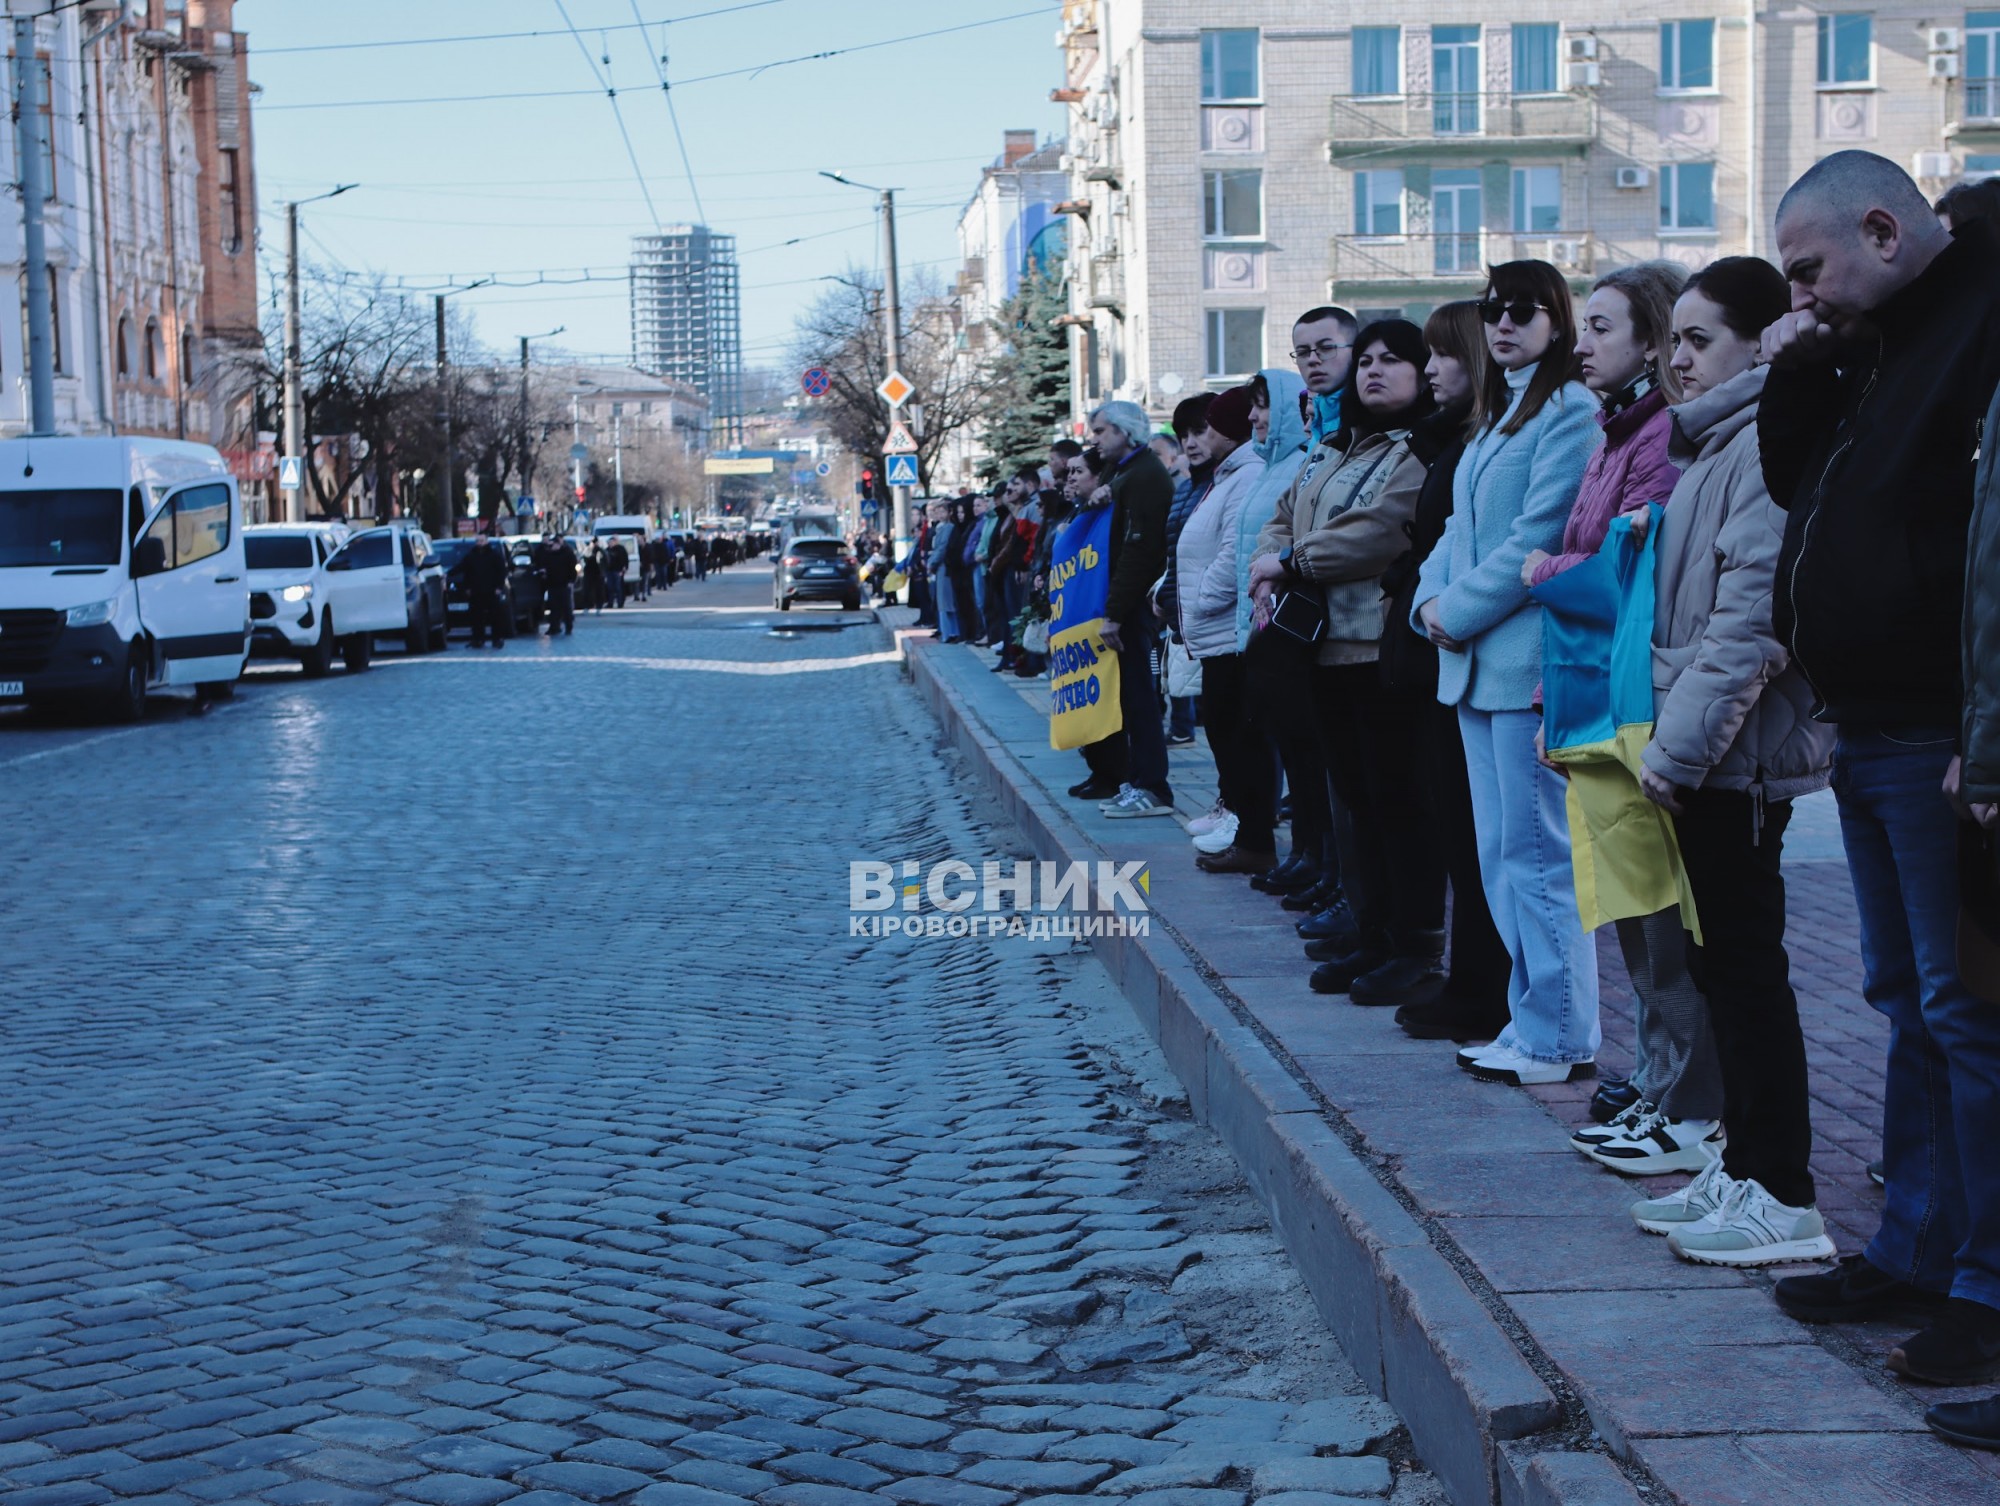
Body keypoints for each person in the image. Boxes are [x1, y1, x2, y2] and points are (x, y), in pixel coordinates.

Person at [1752, 150, 2000, 1387]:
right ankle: (1915, 1247)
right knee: (1905, 999)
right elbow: (1809, 488)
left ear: (1882, 228)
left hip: (1940, 735)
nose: (1799, 297)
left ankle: (1983, 1288)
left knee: (1966, 1013)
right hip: (1871, 723)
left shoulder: (1977, 321)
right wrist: (1814, 354)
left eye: (1809, 271)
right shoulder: (1878, 337)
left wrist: (1984, 731)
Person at [1576, 256, 1838, 1266]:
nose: (1676, 359)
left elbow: (1745, 628)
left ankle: (1781, 1189)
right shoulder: (1713, 441)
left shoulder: (1763, 440)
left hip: (1734, 756)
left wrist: (1676, 753)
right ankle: (1740, 1164)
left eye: (1697, 340)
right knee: (1723, 968)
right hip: (1702, 749)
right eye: (1672, 339)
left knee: (1744, 969)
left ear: (1754, 338)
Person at [1521, 261, 1725, 1174]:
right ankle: (1655, 1084)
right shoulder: (1617, 433)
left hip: (1635, 707)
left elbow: (1619, 576)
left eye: (1601, 327)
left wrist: (1544, 577)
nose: (1582, 343)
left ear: (1648, 339)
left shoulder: (1659, 444)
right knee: (1632, 921)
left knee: (1661, 924)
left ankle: (1685, 1103)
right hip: (1591, 703)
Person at [1411, 259, 1603, 1087]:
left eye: (1523, 310)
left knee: (1537, 857)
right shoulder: (1498, 415)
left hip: (1522, 658)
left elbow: (1541, 531)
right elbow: (1457, 528)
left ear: (1558, 318)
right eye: (1494, 310)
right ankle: (1534, 1023)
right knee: (1498, 857)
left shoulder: (1568, 408)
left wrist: (1454, 610)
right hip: (1473, 662)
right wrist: (1430, 600)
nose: (1503, 324)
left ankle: (1561, 1033)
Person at [1252, 319, 1443, 998]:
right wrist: (1275, 558)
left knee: (1398, 803)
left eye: (1394, 359)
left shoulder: (1418, 449)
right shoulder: (1336, 446)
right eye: (1366, 361)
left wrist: (1293, 560)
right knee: (1357, 802)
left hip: (1381, 649)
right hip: (1323, 649)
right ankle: (1374, 933)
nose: (1373, 371)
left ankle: (1415, 944)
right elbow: (1283, 512)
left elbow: (1382, 531)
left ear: (1426, 371)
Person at [1377, 302, 1512, 1034]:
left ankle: (1483, 988)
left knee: (1487, 841)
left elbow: (1503, 547)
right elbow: (1442, 539)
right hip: (1436, 654)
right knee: (1462, 834)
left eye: (1439, 354)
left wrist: (1440, 608)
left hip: (1467, 656)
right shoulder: (1455, 442)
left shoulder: (1486, 442)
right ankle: (1470, 979)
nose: (1430, 370)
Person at [1167, 384, 1269, 872]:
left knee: (1240, 739)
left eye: (1205, 426)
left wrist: (1203, 600)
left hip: (1228, 629)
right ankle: (1239, 824)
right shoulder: (1225, 474)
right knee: (1226, 735)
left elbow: (1235, 550)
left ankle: (1250, 834)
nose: (1198, 438)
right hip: (1212, 631)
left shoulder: (1244, 474)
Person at [1087, 400, 1176, 818]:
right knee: (1130, 698)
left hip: (1137, 606)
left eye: (1102, 431)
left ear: (1125, 431)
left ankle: (1153, 786)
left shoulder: (1143, 475)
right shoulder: (1126, 471)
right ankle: (1138, 780)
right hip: (1129, 604)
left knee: (1141, 700)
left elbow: (1137, 552)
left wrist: (1116, 612)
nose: (1095, 439)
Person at [1156, 405, 1211, 746]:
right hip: (1180, 606)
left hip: (1206, 608)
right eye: (1184, 435)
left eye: (1198, 432)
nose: (1191, 443)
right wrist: (1164, 592)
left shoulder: (1210, 483)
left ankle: (1183, 726)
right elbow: (1175, 549)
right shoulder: (1187, 488)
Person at [463, 533, 507, 649]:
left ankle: (497, 639)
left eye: (482, 541)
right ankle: (478, 639)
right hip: (476, 591)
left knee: (495, 616)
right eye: (477, 541)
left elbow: (501, 572)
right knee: (476, 617)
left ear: (486, 541)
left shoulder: (494, 555)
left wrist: (499, 587)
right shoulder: (471, 555)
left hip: (492, 591)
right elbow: (464, 569)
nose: (479, 543)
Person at [928, 501, 962, 641]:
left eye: (943, 512)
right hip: (940, 567)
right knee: (943, 601)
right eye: (938, 512)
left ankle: (950, 632)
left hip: (944, 567)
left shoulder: (948, 528)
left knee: (946, 601)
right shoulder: (939, 528)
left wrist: (932, 562)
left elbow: (942, 548)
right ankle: (947, 631)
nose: (940, 515)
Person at [537, 532, 577, 636]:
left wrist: (571, 581)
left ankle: (569, 627)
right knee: (554, 608)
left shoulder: (567, 553)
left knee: (566, 608)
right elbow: (545, 567)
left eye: (553, 544)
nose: (552, 547)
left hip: (564, 584)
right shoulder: (549, 555)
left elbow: (573, 569)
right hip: (552, 585)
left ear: (558, 544)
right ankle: (554, 627)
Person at [604, 539, 629, 608]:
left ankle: (620, 603)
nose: (610, 544)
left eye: (611, 542)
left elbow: (625, 559)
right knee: (610, 588)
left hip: (618, 571)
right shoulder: (607, 550)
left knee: (619, 588)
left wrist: (624, 568)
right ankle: (610, 603)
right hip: (609, 571)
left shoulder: (620, 549)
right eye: (609, 543)